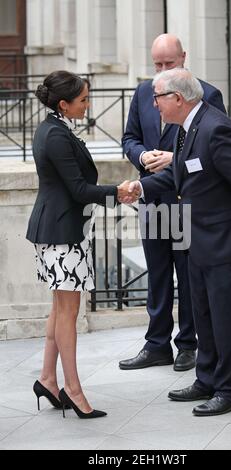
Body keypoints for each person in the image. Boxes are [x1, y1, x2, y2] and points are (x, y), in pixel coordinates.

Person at [125, 68, 231, 416]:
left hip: (229, 243)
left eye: (158, 98)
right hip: (199, 241)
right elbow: (179, 174)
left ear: (178, 99)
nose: (154, 104)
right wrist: (141, 187)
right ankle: (206, 379)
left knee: (228, 321)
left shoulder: (216, 127)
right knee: (204, 317)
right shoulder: (184, 129)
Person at [26, 70, 130, 419]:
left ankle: (47, 380)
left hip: (58, 231)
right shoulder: (54, 134)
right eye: (83, 100)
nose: (88, 105)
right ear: (64, 104)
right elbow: (79, 190)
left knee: (60, 309)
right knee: (68, 312)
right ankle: (72, 389)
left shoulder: (52, 127)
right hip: (61, 234)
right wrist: (119, 192)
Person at [120, 34, 226, 372]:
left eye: (170, 63)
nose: (163, 70)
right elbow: (129, 138)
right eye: (158, 64)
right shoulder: (141, 92)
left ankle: (188, 346)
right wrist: (142, 154)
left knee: (189, 273)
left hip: (187, 201)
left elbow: (214, 149)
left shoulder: (208, 94)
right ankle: (156, 345)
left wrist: (173, 158)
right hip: (153, 200)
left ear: (184, 56)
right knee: (158, 273)